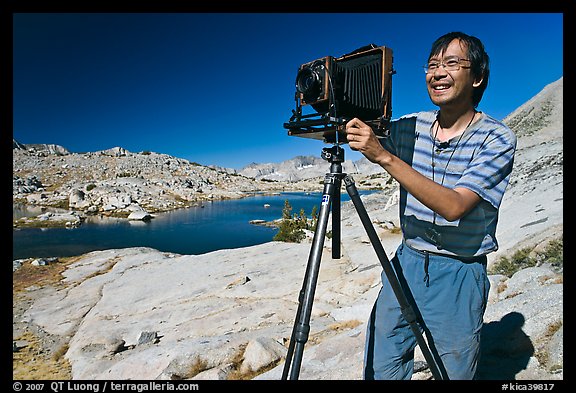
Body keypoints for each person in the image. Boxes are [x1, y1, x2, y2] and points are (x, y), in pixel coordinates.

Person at [345, 31, 517, 380]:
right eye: (433, 64)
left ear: (478, 77)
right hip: (406, 263)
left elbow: (454, 207)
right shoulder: (412, 126)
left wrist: (383, 157)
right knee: (382, 363)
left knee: (451, 372)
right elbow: (364, 129)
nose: (438, 72)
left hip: (458, 273)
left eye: (452, 63)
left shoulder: (496, 139)